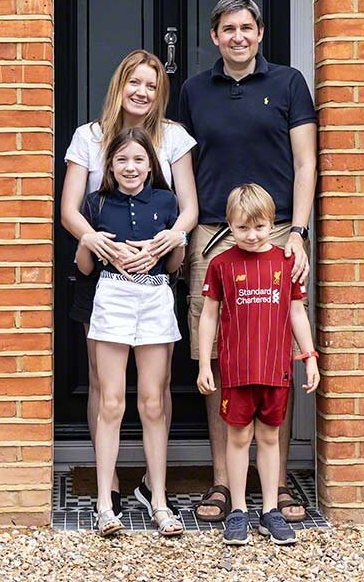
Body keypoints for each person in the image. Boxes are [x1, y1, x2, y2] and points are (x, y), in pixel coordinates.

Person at [179, 0, 318, 524]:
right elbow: (184, 164)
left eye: (246, 27)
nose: (238, 37)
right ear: (214, 37)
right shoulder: (193, 90)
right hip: (214, 232)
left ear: (260, 33)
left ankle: (277, 487)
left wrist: (299, 233)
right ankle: (222, 483)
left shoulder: (287, 84)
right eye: (227, 29)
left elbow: (306, 163)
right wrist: (188, 229)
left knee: (274, 349)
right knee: (214, 357)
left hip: (277, 231)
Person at [60, 50, 198, 515]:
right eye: (134, 82)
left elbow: (189, 207)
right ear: (119, 85)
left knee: (155, 393)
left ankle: (153, 486)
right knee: (104, 384)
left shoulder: (174, 137)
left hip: (154, 274)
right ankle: (109, 484)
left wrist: (169, 240)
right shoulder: (89, 136)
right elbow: (70, 209)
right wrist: (98, 242)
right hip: (101, 274)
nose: (141, 92)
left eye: (151, 85)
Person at [75, 128, 186, 538]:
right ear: (110, 165)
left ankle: (158, 499)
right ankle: (105, 503)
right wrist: (93, 240)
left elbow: (175, 265)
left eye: (138, 160)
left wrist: (171, 241)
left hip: (155, 296)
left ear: (150, 164)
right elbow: (84, 267)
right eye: (121, 160)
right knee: (111, 401)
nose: (130, 168)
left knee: (154, 402)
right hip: (112, 296)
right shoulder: (96, 202)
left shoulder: (166, 201)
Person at [196, 184, 320, 545]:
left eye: (260, 227)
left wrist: (309, 357)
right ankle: (237, 511)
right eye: (242, 228)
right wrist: (206, 363)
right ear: (229, 226)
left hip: (275, 368)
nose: (252, 235)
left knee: (268, 437)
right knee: (238, 439)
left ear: (271, 223)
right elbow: (208, 317)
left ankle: (269, 511)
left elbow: (297, 313)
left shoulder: (286, 262)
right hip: (236, 371)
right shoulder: (220, 264)